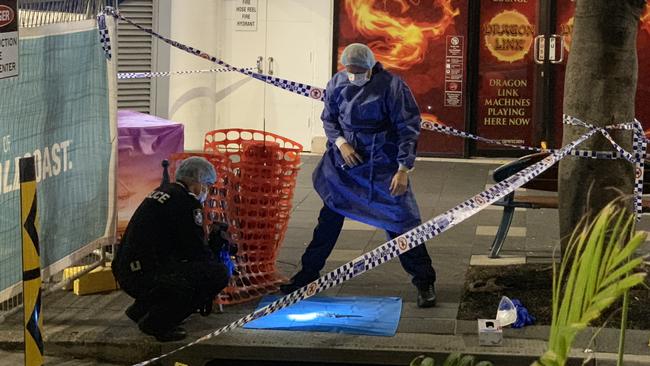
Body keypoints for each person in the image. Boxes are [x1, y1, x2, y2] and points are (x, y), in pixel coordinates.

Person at [280, 43, 437, 308]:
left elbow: (407, 128)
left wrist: (402, 169)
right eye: (350, 71)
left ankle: (424, 281)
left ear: (371, 67)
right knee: (328, 220)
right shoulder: (338, 83)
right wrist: (341, 142)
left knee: (401, 223)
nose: (354, 76)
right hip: (345, 166)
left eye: (359, 71)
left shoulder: (392, 87)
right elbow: (329, 118)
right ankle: (307, 275)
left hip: (382, 166)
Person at [112, 156, 231, 341]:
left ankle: (141, 309)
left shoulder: (164, 192)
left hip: (126, 270)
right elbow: (195, 250)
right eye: (207, 185)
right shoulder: (187, 203)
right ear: (197, 182)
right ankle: (158, 322)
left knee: (182, 269)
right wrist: (218, 255)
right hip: (144, 275)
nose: (207, 191)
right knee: (216, 274)